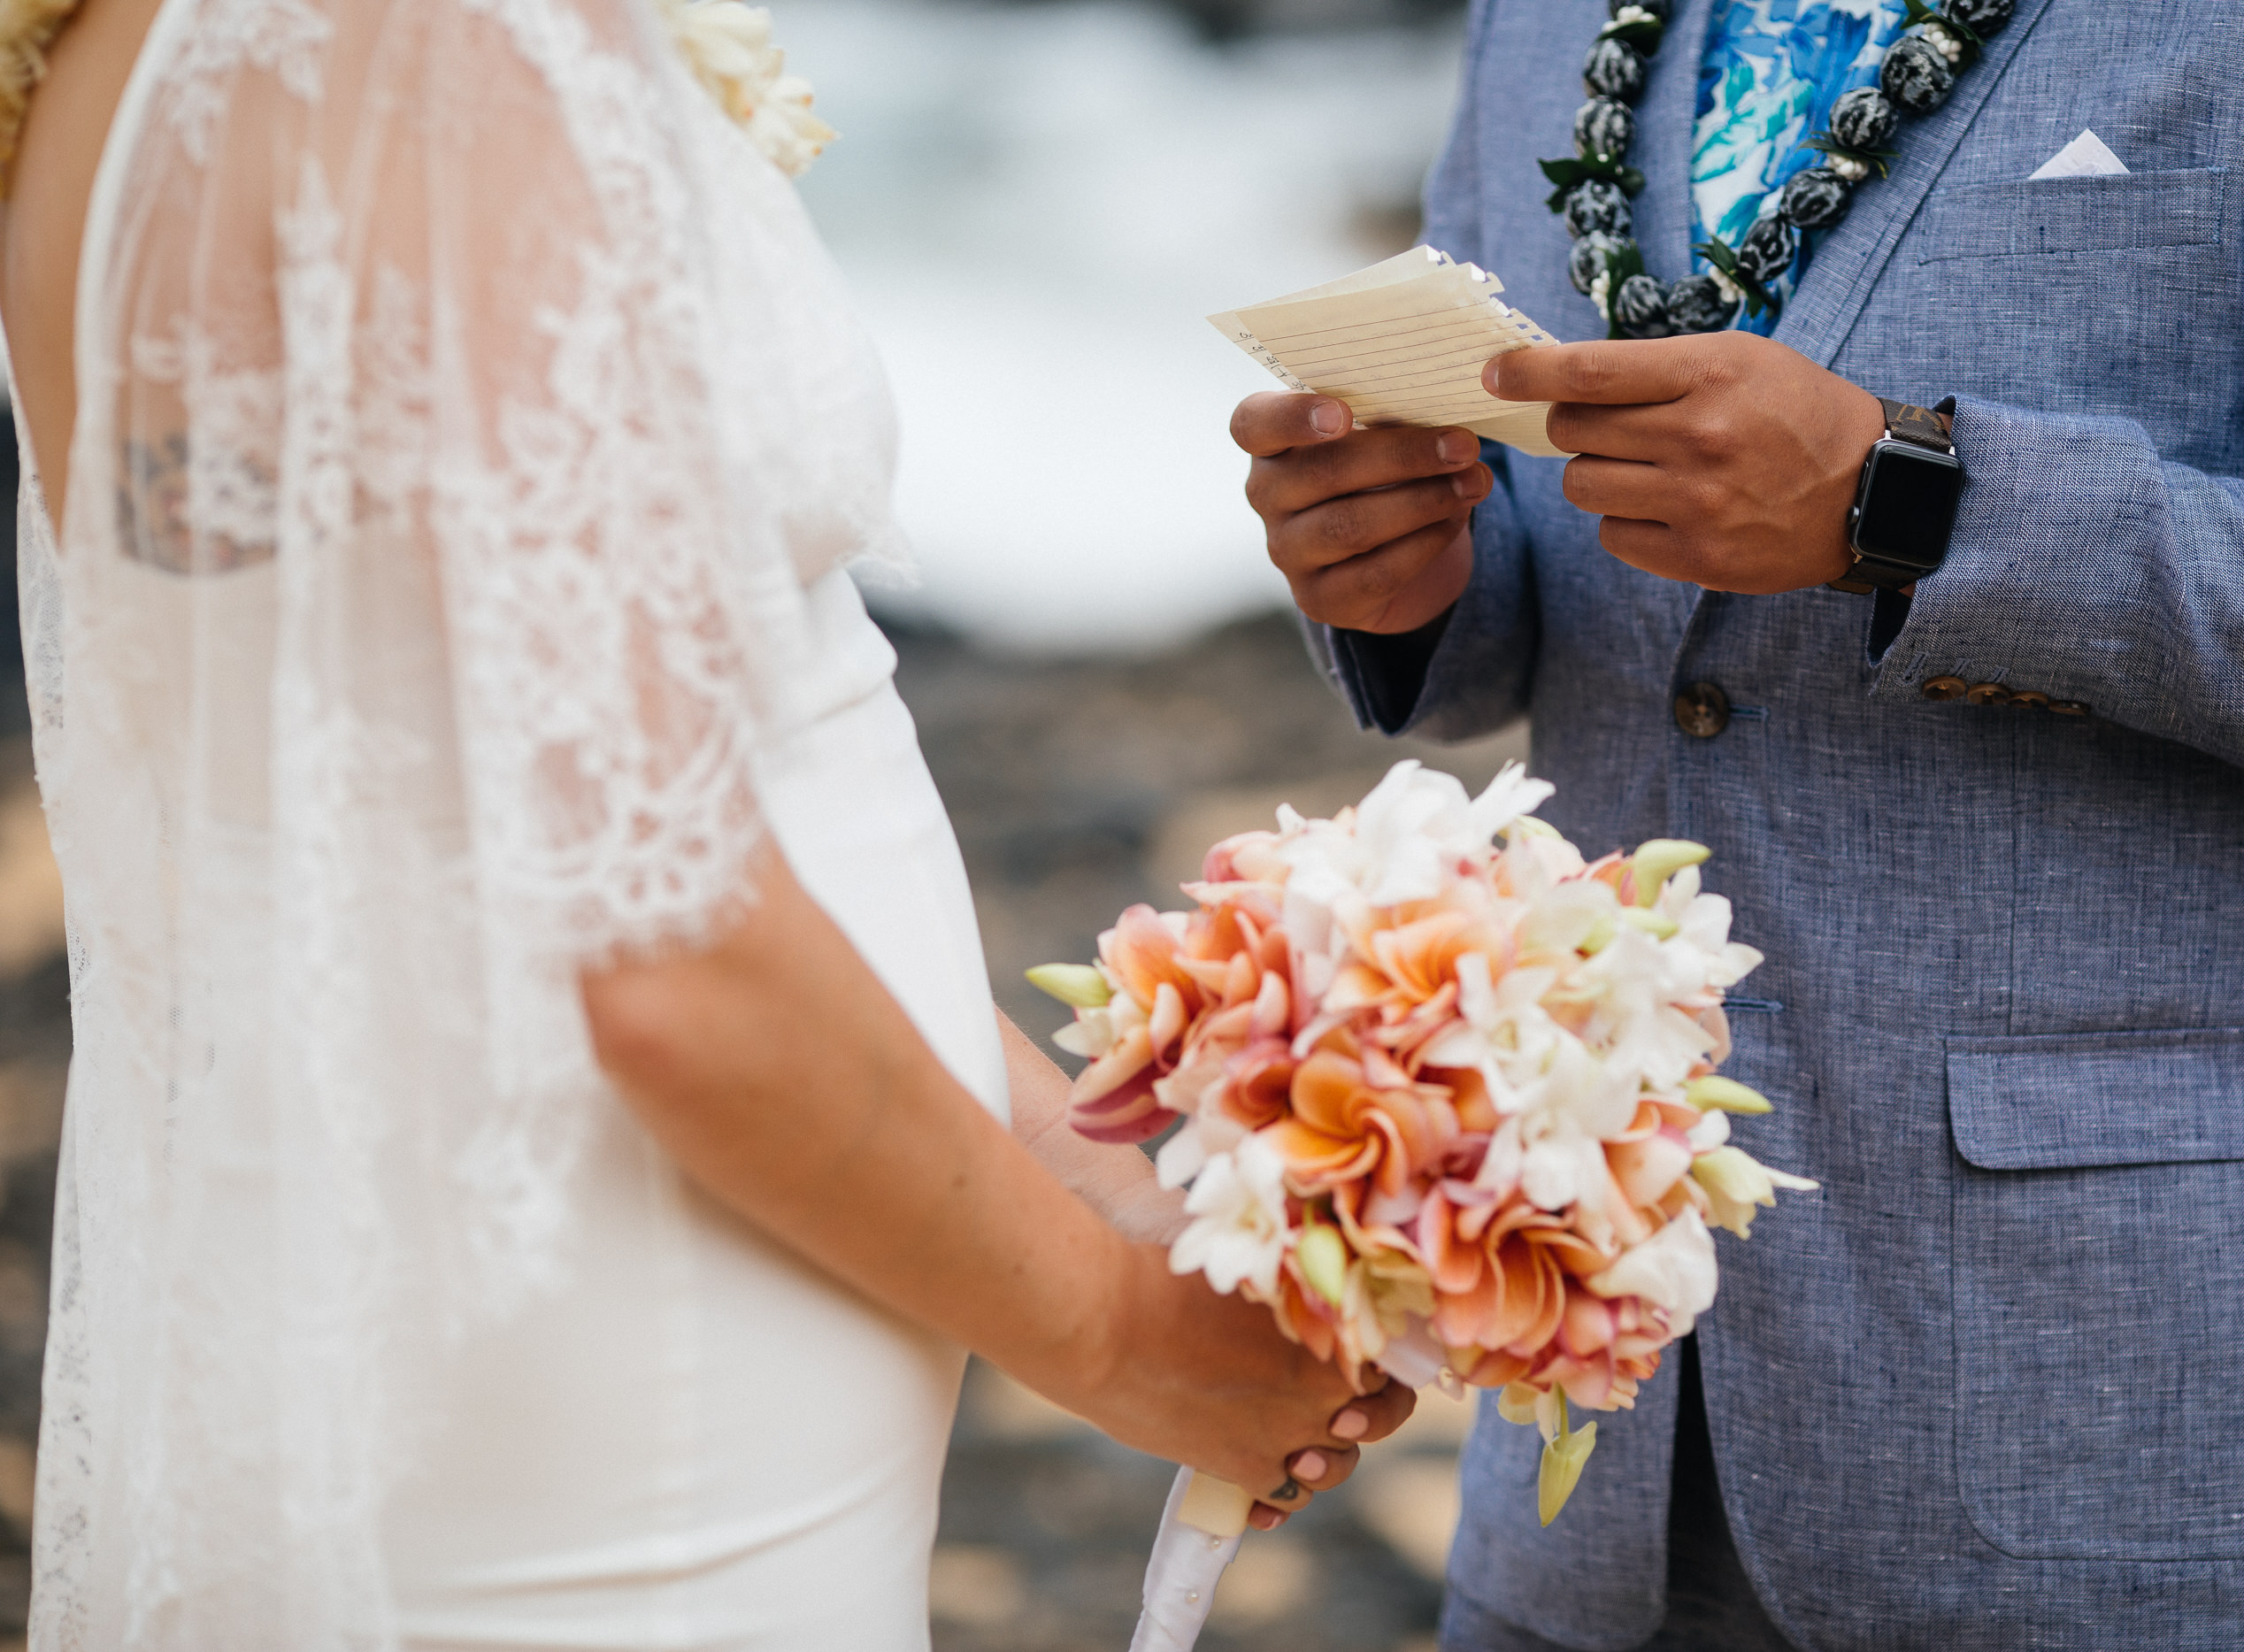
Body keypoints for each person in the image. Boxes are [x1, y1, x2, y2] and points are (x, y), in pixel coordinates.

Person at [0, 0, 1412, 1646]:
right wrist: (1115, 1333)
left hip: (435, 1266)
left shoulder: (127, 58)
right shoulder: (445, 35)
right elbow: (660, 948)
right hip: (645, 1339)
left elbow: (507, 799)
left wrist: (1127, 1213)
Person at [1233, 0, 2244, 1647]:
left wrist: (1916, 506)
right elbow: (1554, 619)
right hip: (1593, 1404)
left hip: (2153, 1418)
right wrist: (1401, 579)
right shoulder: (1541, 18)